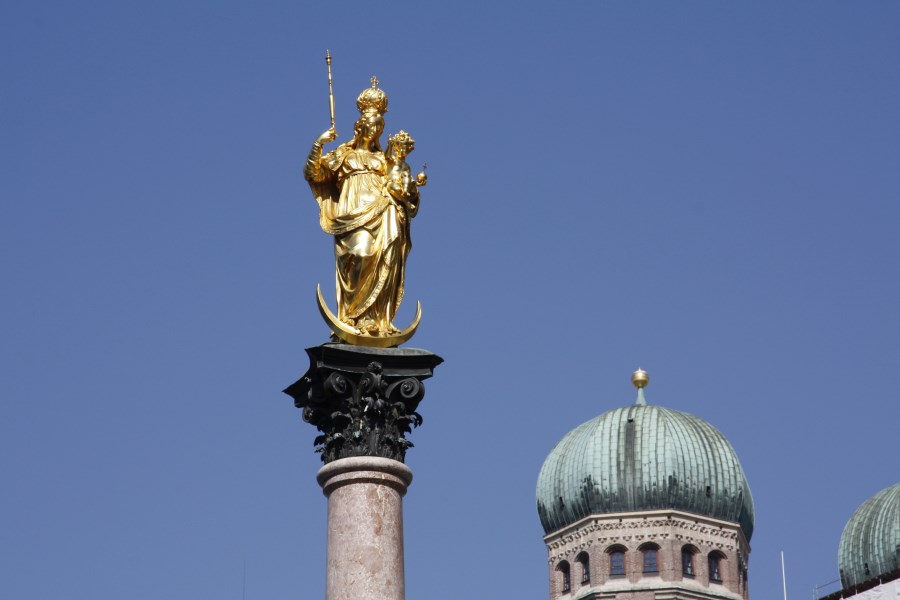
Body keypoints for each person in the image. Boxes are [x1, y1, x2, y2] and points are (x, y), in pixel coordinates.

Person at [304, 79, 418, 337]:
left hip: (383, 212)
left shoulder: (383, 159)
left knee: (383, 257)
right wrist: (319, 144)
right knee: (359, 254)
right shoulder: (344, 155)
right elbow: (314, 173)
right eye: (370, 124)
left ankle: (375, 321)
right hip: (353, 213)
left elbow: (400, 183)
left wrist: (409, 191)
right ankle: (352, 317)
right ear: (359, 126)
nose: (373, 130)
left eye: (379, 126)